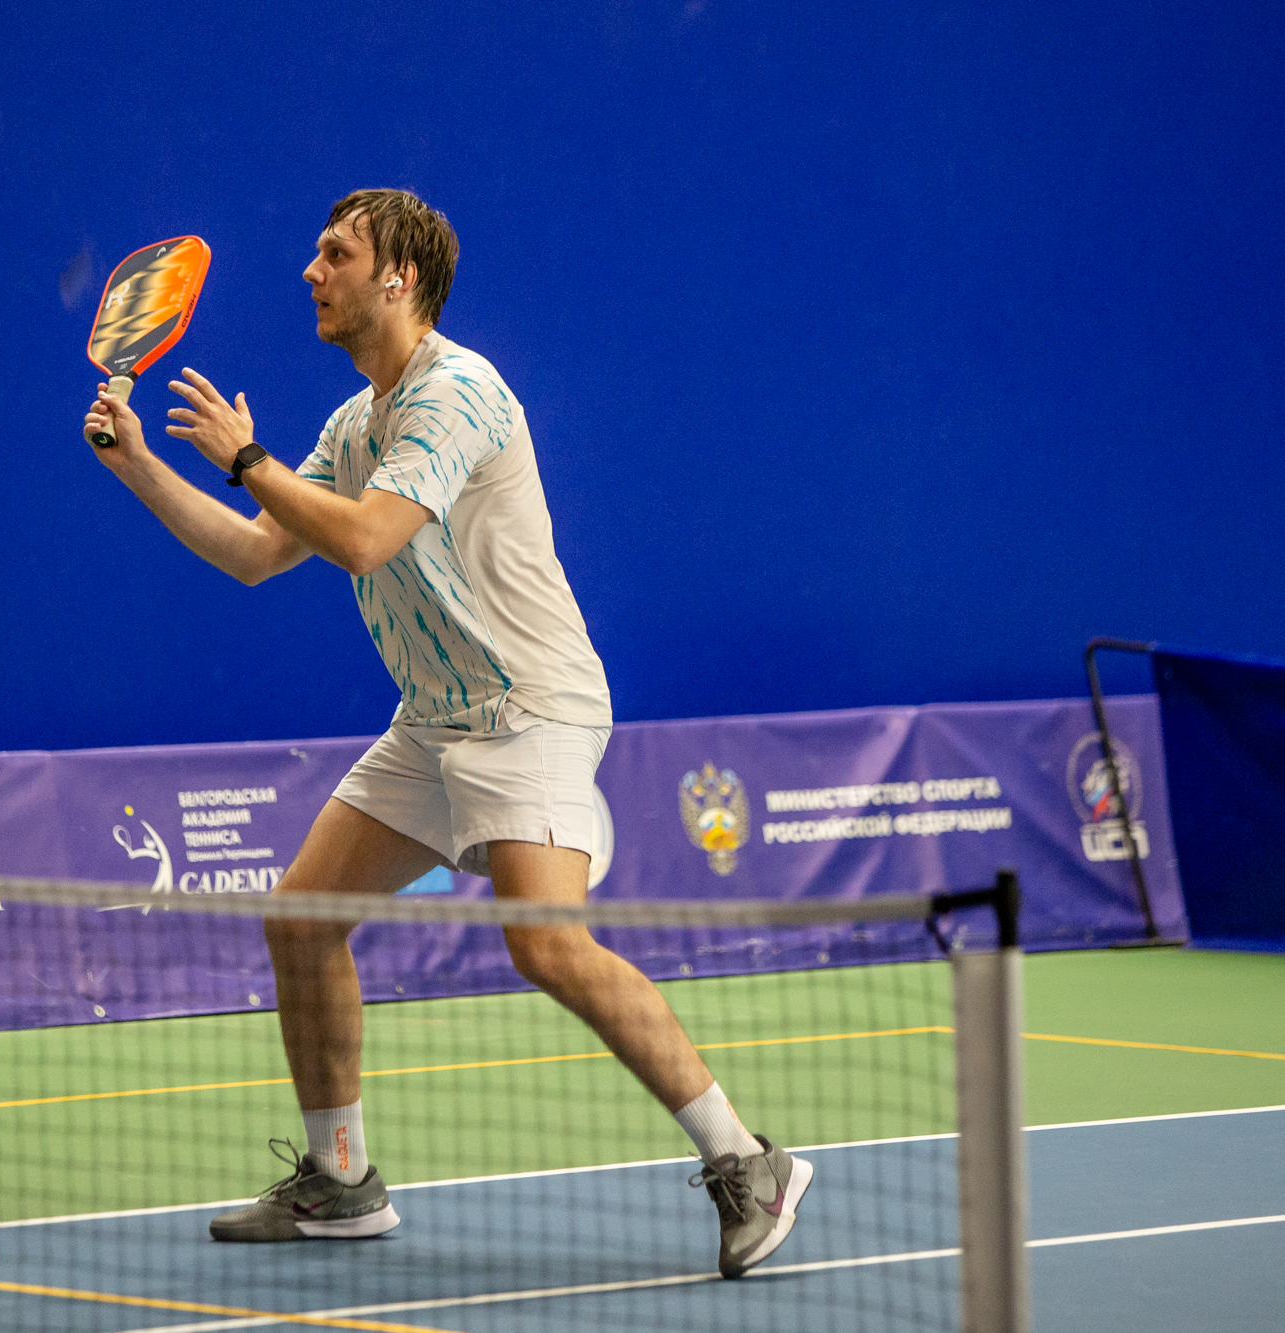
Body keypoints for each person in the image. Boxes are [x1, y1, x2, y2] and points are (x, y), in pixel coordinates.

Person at [81, 188, 811, 1279]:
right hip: (435, 717)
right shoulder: (353, 425)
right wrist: (140, 464)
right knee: (301, 919)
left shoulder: (457, 393)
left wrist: (247, 456)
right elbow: (256, 553)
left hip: (529, 705)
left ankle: (747, 1160)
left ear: (398, 278)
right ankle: (341, 1180)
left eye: (334, 253)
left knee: (545, 943)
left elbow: (367, 540)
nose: (309, 271)